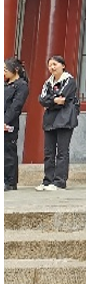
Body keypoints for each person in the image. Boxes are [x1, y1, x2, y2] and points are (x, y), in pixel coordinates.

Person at [36, 55, 79, 191]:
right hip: (50, 119)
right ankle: (47, 180)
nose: (52, 67)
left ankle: (59, 181)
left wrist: (51, 101)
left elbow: (62, 98)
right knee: (48, 152)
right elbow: (41, 99)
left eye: (55, 64)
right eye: (50, 65)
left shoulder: (69, 81)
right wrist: (53, 100)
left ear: (63, 66)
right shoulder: (47, 83)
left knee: (62, 151)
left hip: (65, 119)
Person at [4, 57, 29, 191]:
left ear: (16, 70)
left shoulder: (21, 85)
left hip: (9, 122)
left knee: (8, 151)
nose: (4, 72)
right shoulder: (5, 84)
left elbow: (16, 106)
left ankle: (10, 182)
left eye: (6, 69)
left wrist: (5, 121)